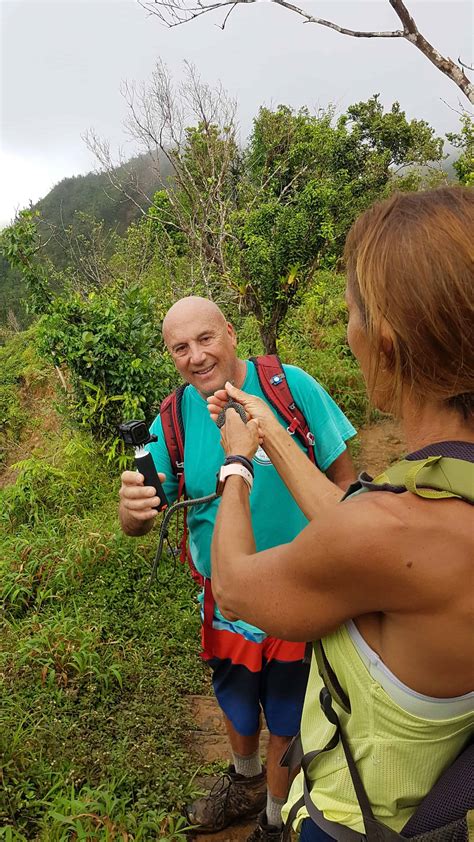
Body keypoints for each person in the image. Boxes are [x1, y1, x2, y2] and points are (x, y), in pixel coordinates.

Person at [207, 187, 474, 839]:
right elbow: (361, 526)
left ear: (382, 342)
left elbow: (237, 588)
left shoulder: (393, 530)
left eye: (351, 311)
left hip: (361, 821)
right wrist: (271, 431)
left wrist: (236, 465)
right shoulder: (435, 499)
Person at [118, 296, 356, 840]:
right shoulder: (174, 418)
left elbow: (345, 484)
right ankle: (244, 781)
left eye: (205, 339)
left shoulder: (289, 388)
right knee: (235, 697)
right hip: (224, 595)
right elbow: (147, 508)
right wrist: (131, 510)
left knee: (290, 711)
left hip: (301, 590)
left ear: (230, 331)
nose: (196, 356)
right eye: (180, 348)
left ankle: (275, 816)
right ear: (170, 355)